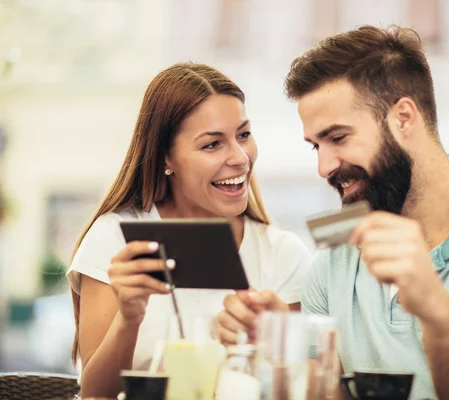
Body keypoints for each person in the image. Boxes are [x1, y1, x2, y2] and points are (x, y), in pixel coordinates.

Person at [216, 26, 449, 400]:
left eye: (338, 138)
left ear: (404, 118)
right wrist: (285, 343)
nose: (324, 167)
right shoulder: (333, 263)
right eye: (316, 147)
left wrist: (436, 310)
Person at [67, 63, 311, 398]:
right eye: (212, 144)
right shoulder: (116, 238)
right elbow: (95, 394)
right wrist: (129, 317)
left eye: (243, 135)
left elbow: (298, 389)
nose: (240, 158)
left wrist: (277, 341)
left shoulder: (282, 253)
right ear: (167, 157)